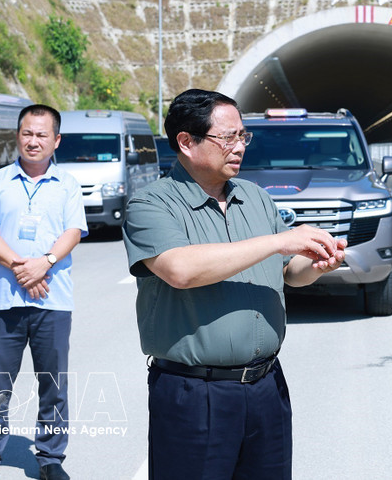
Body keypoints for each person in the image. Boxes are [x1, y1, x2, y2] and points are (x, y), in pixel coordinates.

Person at [122, 89, 346, 480]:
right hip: (195, 394)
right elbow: (181, 270)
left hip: (266, 387)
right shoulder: (152, 204)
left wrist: (315, 266)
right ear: (186, 143)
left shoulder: (255, 198)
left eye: (243, 136)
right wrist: (280, 240)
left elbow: (287, 272)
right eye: (228, 137)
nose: (239, 146)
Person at [0, 104, 87, 480]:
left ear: (56, 141)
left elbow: (72, 233)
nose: (33, 141)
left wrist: (46, 261)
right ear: (18, 136)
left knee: (52, 384)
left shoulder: (67, 185)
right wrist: (25, 267)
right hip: (3, 302)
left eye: (41, 135)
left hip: (53, 301)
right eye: (27, 133)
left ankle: (51, 458)